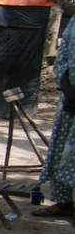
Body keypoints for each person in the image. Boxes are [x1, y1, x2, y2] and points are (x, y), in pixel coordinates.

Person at [32, 17, 75, 219]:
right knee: (60, 150)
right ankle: (64, 203)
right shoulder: (74, 22)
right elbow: (63, 59)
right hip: (70, 100)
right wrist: (69, 92)